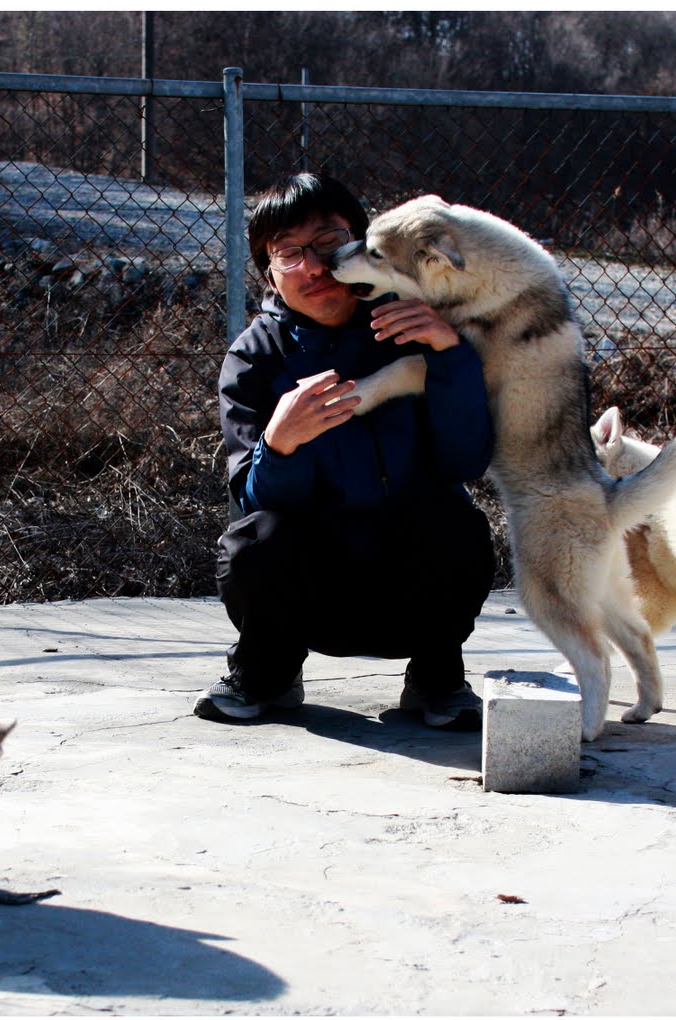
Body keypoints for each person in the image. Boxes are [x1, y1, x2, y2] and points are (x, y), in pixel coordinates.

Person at [195, 172, 497, 729]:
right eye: (289, 254)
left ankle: (438, 678)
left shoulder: (419, 328)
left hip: (409, 581)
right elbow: (251, 496)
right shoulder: (254, 359)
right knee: (253, 544)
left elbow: (466, 462)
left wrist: (450, 356)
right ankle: (266, 672)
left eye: (330, 244)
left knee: (460, 528)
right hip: (311, 590)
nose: (314, 268)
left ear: (361, 245)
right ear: (268, 272)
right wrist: (279, 443)